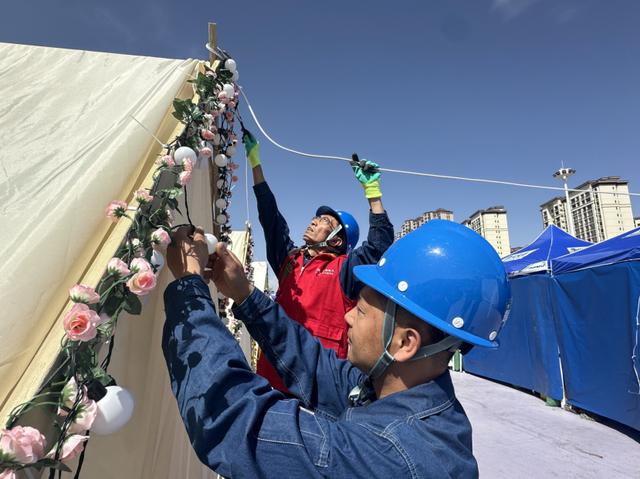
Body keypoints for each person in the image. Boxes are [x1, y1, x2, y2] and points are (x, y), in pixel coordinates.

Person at [163, 219, 511, 478]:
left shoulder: (390, 456)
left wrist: (190, 288)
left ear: (405, 343)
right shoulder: (397, 389)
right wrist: (245, 295)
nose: (347, 316)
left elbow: (233, 422)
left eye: (361, 310)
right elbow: (313, 364)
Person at [242, 130, 394, 391]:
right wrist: (255, 162)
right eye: (316, 217)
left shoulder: (345, 270)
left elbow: (378, 247)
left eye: (325, 221)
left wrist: (373, 193)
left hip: (318, 391)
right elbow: (270, 217)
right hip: (271, 378)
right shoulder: (289, 261)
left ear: (336, 240)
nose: (314, 221)